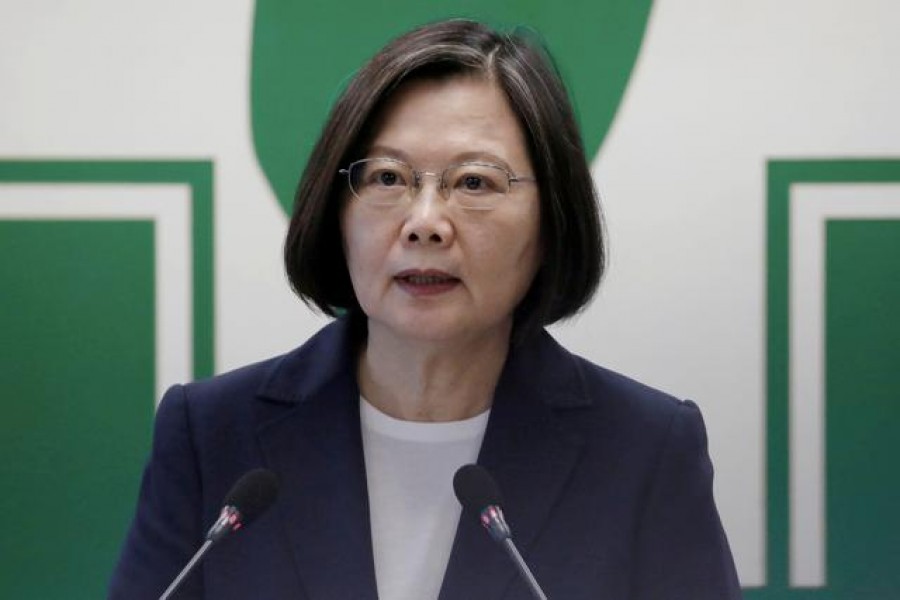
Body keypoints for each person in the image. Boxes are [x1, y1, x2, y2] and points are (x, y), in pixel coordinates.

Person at [109, 19, 742, 600]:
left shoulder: (644, 451)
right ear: (337, 213)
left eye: (475, 182)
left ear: (552, 221)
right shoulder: (212, 437)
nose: (425, 223)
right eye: (388, 178)